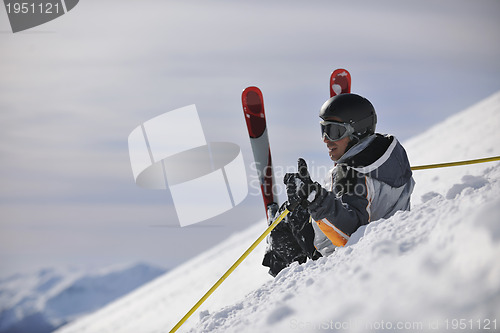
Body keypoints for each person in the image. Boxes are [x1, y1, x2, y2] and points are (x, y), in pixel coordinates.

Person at [263, 93, 415, 276]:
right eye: (323, 130)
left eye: (334, 131)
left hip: (342, 255)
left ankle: (286, 274)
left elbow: (349, 234)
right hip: (390, 239)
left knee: (289, 214)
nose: (326, 139)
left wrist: (316, 201)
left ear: (357, 131)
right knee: (304, 204)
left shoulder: (351, 172)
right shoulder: (391, 155)